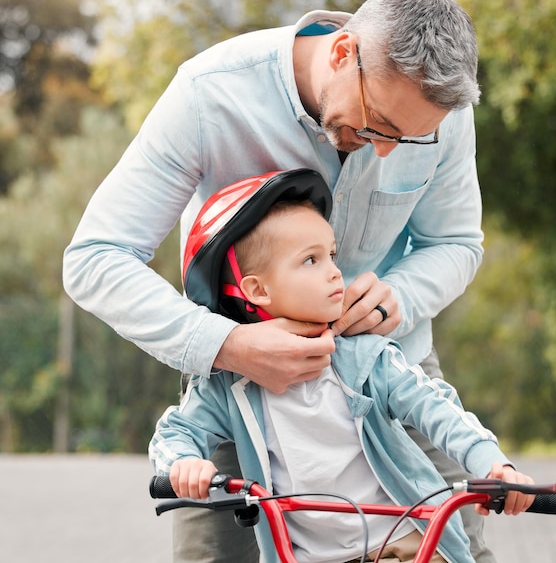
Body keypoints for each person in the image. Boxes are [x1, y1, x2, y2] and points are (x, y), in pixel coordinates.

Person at [63, 0, 488, 563]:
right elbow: (95, 257)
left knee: (462, 549)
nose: (387, 151)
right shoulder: (209, 93)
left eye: (408, 137)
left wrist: (401, 297)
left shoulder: (440, 115)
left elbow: (456, 242)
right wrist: (230, 343)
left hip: (392, 376)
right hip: (240, 385)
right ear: (342, 53)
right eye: (379, 124)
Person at [150, 169, 534, 563]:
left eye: (331, 254)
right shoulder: (228, 386)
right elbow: (177, 431)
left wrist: (492, 462)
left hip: (404, 542)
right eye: (311, 260)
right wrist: (185, 464)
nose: (335, 270)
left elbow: (438, 410)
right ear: (257, 290)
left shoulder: (368, 360)